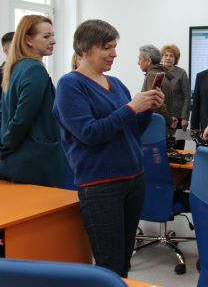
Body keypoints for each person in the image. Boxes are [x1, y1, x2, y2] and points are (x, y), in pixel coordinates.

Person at [53, 19, 164, 277]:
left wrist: (146, 110)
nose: (114, 53)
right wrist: (132, 108)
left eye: (114, 46)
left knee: (124, 260)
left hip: (133, 179)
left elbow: (132, 129)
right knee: (109, 264)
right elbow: (90, 133)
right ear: (83, 49)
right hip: (101, 185)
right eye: (107, 47)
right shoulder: (70, 85)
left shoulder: (115, 83)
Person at [0, 16, 66, 186]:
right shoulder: (35, 69)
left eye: (52, 35)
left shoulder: (14, 68)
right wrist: (1, 149)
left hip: (16, 161)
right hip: (34, 163)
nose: (53, 41)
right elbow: (21, 119)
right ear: (28, 40)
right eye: (46, 36)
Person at [138, 45, 174, 135]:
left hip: (155, 128)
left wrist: (169, 121)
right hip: (162, 127)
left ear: (148, 61)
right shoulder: (162, 75)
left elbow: (156, 102)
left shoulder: (152, 76)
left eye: (140, 59)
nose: (138, 63)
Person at [160, 44, 191, 134]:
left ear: (175, 59)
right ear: (162, 57)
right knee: (162, 141)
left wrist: (185, 118)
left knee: (177, 142)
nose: (168, 58)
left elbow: (187, 96)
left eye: (171, 56)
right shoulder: (157, 72)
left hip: (178, 117)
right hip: (161, 116)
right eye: (166, 55)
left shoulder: (181, 73)